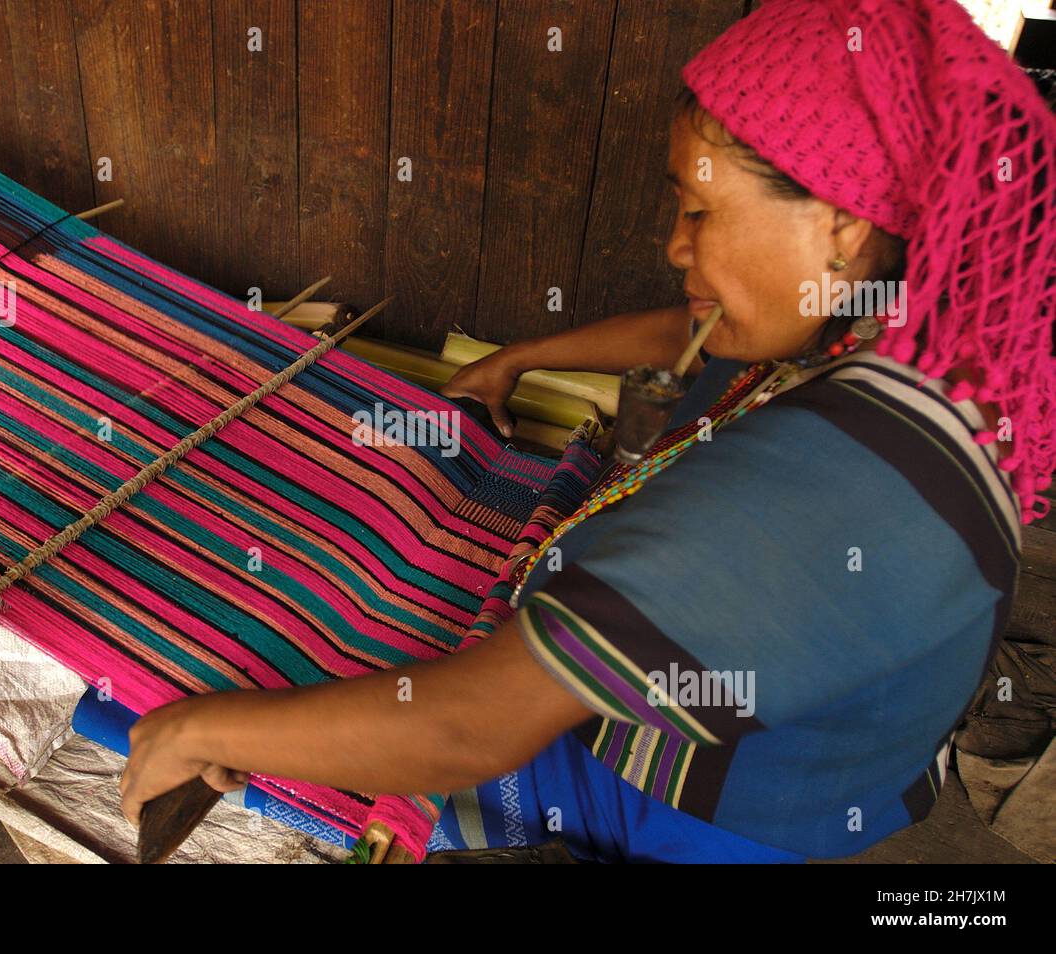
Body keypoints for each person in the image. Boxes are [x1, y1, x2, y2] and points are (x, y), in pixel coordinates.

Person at [120, 0, 1055, 862]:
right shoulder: (913, 341)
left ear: (842, 227)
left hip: (702, 814)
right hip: (832, 772)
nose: (676, 245)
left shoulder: (827, 482)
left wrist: (197, 729)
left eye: (700, 211)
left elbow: (465, 730)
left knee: (156, 703)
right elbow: (701, 328)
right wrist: (523, 356)